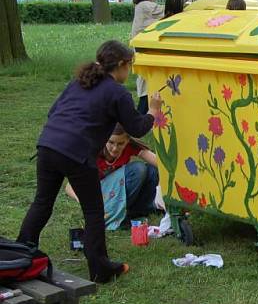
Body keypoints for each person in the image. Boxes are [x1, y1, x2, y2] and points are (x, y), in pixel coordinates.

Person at [17, 40, 162, 283]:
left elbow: (53, 112)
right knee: (94, 210)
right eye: (130, 66)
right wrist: (153, 112)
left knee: (42, 202)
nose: (130, 72)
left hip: (48, 145)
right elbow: (136, 127)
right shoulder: (117, 92)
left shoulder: (79, 83)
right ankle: (100, 268)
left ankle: (22, 253)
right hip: (76, 153)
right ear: (121, 65)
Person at [64, 124, 160, 230]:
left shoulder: (130, 146)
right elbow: (69, 186)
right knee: (138, 169)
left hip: (118, 189)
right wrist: (85, 202)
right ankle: (116, 216)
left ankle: (138, 212)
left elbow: (160, 164)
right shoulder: (93, 152)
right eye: (111, 142)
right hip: (102, 198)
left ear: (127, 141)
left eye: (120, 144)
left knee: (152, 170)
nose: (115, 148)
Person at [131, 0, 164, 114]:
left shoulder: (141, 6)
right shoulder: (145, 5)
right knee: (146, 83)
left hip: (141, 47)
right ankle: (140, 118)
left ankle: (142, 116)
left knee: (145, 82)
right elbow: (166, 11)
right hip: (142, 49)